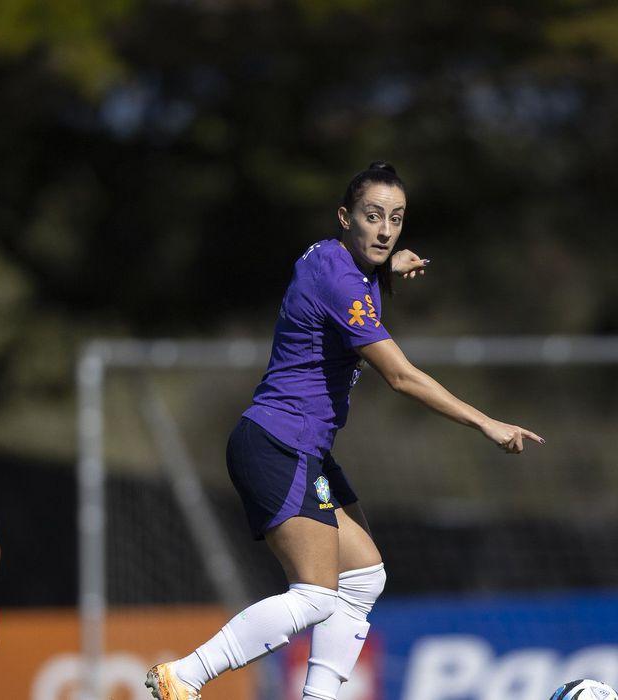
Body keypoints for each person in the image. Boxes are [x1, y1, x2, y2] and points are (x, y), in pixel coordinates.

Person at [146, 162, 544, 700]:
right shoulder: (338, 277)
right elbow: (401, 376)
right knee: (314, 594)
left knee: (362, 578)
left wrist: (385, 270)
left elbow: (351, 280)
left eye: (396, 219)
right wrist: (485, 422)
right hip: (277, 444)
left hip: (301, 448)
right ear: (345, 216)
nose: (384, 230)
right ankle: (184, 676)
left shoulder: (330, 258)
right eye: (372, 216)